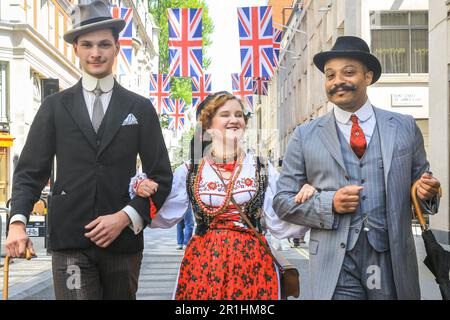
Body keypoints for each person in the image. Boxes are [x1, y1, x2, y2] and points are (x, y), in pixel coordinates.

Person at [5, 1, 172, 300]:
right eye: (88, 45)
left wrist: (125, 216)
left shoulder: (140, 108)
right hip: (71, 239)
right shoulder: (54, 107)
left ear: (117, 48)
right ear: (76, 50)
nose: (96, 52)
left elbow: (162, 177)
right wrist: (18, 222)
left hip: (123, 243)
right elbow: (30, 172)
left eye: (104, 44)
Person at [273, 36, 441, 300]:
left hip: (390, 259)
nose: (337, 81)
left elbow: (423, 188)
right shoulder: (305, 135)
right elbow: (282, 202)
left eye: (348, 72)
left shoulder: (405, 126)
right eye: (330, 75)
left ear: (368, 77)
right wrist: (329, 203)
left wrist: (426, 191)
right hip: (335, 262)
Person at [134, 91, 310, 300]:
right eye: (225, 115)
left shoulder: (261, 167)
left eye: (238, 114)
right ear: (207, 125)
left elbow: (282, 215)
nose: (234, 120)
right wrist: (142, 188)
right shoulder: (191, 170)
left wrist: (305, 197)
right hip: (203, 265)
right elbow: (161, 212)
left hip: (253, 265)